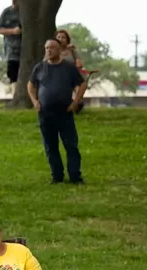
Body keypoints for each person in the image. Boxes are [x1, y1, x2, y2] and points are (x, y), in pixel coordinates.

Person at [28, 38, 87, 184]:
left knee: (71, 145)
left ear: (59, 50)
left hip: (64, 112)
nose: (48, 50)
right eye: (47, 48)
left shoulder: (68, 67)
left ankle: (75, 176)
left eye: (52, 48)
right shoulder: (39, 68)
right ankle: (57, 176)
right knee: (50, 147)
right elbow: (30, 85)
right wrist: (35, 101)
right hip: (45, 114)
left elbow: (82, 84)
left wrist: (75, 102)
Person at [0, 0, 22, 85]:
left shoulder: (26, 12)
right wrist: (13, 31)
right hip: (12, 51)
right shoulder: (7, 12)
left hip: (27, 50)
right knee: (13, 76)